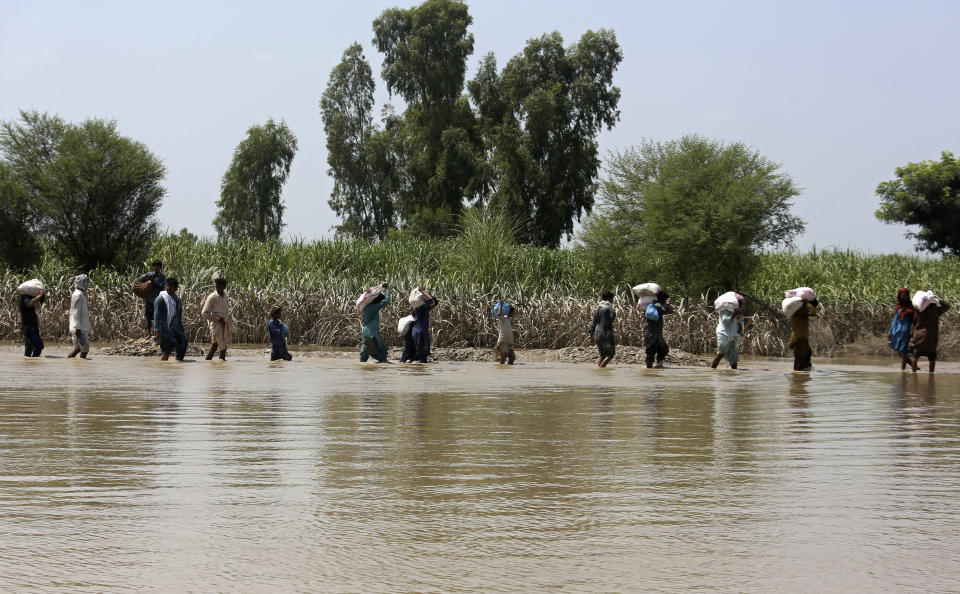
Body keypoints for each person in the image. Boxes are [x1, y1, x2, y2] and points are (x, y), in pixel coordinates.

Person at [910, 298, 950, 373]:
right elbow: (947, 306)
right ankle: (931, 374)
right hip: (930, 337)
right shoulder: (935, 310)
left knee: (915, 355)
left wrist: (912, 334)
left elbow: (913, 323)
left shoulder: (918, 311)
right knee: (932, 356)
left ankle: (913, 374)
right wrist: (939, 300)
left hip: (918, 336)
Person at [154, 277, 188, 361]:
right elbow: (157, 316)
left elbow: (179, 316)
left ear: (176, 288)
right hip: (165, 329)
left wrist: (181, 328)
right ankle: (163, 367)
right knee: (167, 349)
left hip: (176, 328)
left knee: (183, 344)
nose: (168, 288)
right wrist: (158, 330)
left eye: (171, 286)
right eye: (167, 286)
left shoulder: (178, 300)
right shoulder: (161, 299)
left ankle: (178, 365)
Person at [201, 278, 235, 361]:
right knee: (223, 347)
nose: (218, 288)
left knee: (215, 345)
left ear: (224, 287)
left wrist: (228, 321)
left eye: (220, 287)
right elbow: (204, 313)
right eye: (217, 286)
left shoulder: (225, 296)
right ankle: (222, 366)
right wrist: (218, 319)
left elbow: (226, 310)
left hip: (225, 323)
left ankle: (208, 362)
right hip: (216, 324)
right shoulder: (212, 297)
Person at [360, 283, 391, 363]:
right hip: (372, 332)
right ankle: (382, 362)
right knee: (382, 351)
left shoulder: (366, 307)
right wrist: (387, 288)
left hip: (365, 331)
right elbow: (387, 300)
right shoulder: (375, 306)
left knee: (365, 350)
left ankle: (362, 363)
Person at [888, 287, 917, 371]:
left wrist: (913, 331)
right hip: (897, 331)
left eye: (906, 295)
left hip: (906, 331)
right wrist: (890, 331)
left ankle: (903, 370)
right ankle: (913, 365)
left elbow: (914, 321)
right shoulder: (898, 306)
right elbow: (895, 319)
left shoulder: (911, 307)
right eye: (902, 295)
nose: (904, 297)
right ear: (899, 295)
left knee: (903, 352)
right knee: (900, 353)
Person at [643, 291, 674, 368]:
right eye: (665, 300)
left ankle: (657, 368)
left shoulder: (652, 306)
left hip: (654, 334)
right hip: (652, 334)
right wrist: (668, 303)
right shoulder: (657, 306)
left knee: (662, 349)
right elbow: (669, 311)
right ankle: (649, 370)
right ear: (663, 300)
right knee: (651, 353)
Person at [135, 261, 166, 333]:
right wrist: (135, 283)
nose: (155, 268)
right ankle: (149, 333)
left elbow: (162, 287)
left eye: (157, 266)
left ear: (160, 268)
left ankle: (157, 334)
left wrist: (154, 282)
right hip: (148, 300)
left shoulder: (162, 277)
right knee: (148, 317)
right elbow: (140, 278)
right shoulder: (149, 275)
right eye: (154, 266)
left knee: (156, 317)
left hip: (156, 300)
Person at [588, 291, 616, 368]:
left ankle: (599, 373)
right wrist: (613, 314)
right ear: (609, 298)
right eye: (612, 298)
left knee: (602, 355)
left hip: (598, 335)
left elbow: (593, 325)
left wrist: (591, 338)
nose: (613, 300)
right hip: (607, 335)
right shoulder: (609, 310)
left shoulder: (598, 309)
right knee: (610, 355)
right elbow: (608, 323)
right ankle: (601, 369)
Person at [789, 299, 819, 371]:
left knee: (804, 355)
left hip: (802, 337)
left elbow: (813, 314)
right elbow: (811, 313)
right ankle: (798, 373)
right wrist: (809, 304)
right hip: (799, 338)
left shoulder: (802, 312)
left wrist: (811, 305)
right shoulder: (797, 312)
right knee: (801, 356)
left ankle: (798, 373)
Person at [411, 288, 438, 363]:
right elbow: (431, 301)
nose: (433, 308)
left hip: (415, 331)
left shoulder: (416, 308)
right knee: (423, 355)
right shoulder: (423, 308)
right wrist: (423, 291)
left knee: (419, 351)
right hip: (421, 331)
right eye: (433, 306)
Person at [67, 274, 91, 359]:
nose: (87, 284)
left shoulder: (81, 294)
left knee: (77, 348)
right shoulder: (78, 294)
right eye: (85, 282)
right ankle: (82, 368)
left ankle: (72, 364)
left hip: (80, 327)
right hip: (79, 328)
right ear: (81, 282)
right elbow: (75, 312)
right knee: (84, 349)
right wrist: (77, 328)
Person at [19, 288, 46, 357]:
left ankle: (31, 363)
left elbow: (41, 301)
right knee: (38, 346)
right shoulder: (25, 297)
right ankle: (30, 362)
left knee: (31, 347)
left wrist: (42, 295)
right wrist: (39, 295)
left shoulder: (30, 296)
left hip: (32, 326)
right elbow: (29, 304)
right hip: (28, 327)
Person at [494, 300, 516, 365]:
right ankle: (501, 368)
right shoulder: (503, 318)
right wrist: (501, 305)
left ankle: (507, 372)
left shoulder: (508, 319)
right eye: (512, 312)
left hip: (509, 343)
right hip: (503, 341)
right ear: (509, 312)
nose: (513, 314)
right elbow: (499, 314)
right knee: (503, 357)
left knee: (512, 358)